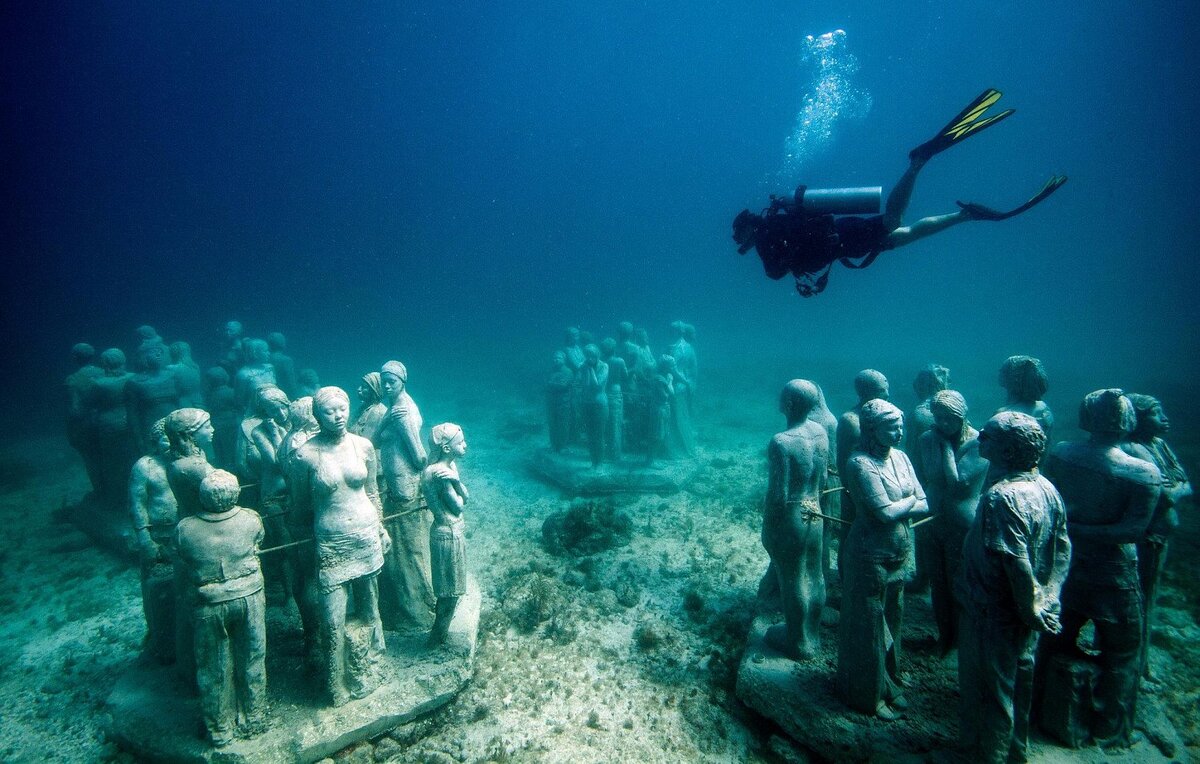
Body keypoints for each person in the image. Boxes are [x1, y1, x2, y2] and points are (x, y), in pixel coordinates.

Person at [733, 89, 1067, 296]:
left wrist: (765, 250)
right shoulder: (775, 225)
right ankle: (963, 215)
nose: (741, 244)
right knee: (900, 236)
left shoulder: (766, 237)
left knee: (893, 223)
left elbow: (775, 273)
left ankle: (917, 164)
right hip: (842, 238)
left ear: (748, 228)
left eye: (741, 237)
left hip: (842, 237)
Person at [1037, 390, 1159, 749]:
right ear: (1129, 421)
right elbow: (1133, 530)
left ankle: (1040, 708)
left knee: (1053, 636)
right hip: (1114, 572)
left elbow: (1051, 501)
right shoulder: (1143, 472)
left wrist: (1071, 531)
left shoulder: (1061, 454)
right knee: (1122, 651)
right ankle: (1111, 730)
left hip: (1067, 563)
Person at [958, 412, 1071, 764]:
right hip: (1026, 609)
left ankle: (987, 757)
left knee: (990, 692)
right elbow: (1063, 547)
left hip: (996, 608)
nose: (980, 437)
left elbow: (1015, 560)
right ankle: (1016, 754)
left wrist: (1029, 605)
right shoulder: (1047, 488)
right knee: (1019, 683)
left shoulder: (1002, 497)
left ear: (1007, 450)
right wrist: (1049, 594)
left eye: (988, 435)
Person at [292, 387, 390, 706]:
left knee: (370, 608)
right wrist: (308, 548)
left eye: (343, 408)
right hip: (332, 543)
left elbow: (373, 493)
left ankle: (373, 667)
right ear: (318, 416)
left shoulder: (363, 446)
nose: (339, 415)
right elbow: (300, 507)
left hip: (365, 537)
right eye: (331, 411)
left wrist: (381, 527)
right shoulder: (305, 455)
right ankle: (336, 683)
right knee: (333, 620)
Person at [837, 399, 927, 720]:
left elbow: (924, 503)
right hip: (868, 554)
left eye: (901, 425)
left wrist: (903, 503)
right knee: (868, 623)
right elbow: (882, 512)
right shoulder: (859, 463)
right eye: (892, 426)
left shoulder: (901, 458)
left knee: (894, 616)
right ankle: (866, 694)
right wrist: (909, 501)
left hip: (898, 553)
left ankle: (889, 681)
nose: (900, 431)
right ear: (872, 429)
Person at [175, 470, 266, 747]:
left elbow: (180, 559)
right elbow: (258, 542)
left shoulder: (185, 529)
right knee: (253, 656)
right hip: (249, 597)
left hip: (209, 604)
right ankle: (254, 718)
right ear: (236, 492)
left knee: (213, 667)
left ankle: (220, 728)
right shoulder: (251, 520)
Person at [1119, 394, 1192, 680]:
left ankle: (1140, 660)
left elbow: (1183, 485)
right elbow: (1165, 494)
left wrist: (1174, 490)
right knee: (1138, 599)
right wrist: (1173, 491)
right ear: (1137, 418)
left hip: (1159, 534)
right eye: (1156, 413)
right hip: (1144, 536)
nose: (1164, 418)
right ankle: (1133, 662)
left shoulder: (1159, 445)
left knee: (1149, 598)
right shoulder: (1133, 449)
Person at [917, 390, 988, 655]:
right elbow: (933, 475)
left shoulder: (980, 442)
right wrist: (940, 449)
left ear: (962, 416)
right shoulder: (927, 438)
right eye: (939, 418)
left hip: (961, 522)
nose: (943, 424)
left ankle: (961, 641)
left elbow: (959, 483)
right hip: (933, 518)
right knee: (938, 582)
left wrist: (945, 448)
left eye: (950, 419)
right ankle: (945, 637)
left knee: (958, 582)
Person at [762, 380, 830, 660]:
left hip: (791, 516)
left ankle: (797, 641)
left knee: (792, 578)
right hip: (815, 510)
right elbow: (824, 479)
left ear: (789, 404)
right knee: (815, 575)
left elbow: (778, 495)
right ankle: (812, 634)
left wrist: (769, 528)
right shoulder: (820, 433)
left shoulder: (782, 442)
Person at [129, 417, 179, 664]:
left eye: (172, 438)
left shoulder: (183, 461)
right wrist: (145, 539)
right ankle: (162, 640)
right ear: (154, 441)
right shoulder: (145, 467)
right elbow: (137, 505)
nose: (168, 444)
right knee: (158, 591)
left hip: (182, 531)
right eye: (163, 439)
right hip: (158, 535)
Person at [422, 423, 470, 647]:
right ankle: (436, 638)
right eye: (461, 443)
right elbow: (459, 505)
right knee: (449, 593)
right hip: (447, 533)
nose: (465, 446)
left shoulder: (448, 468)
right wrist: (454, 481)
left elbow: (465, 498)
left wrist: (457, 480)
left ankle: (439, 636)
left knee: (451, 592)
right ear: (447, 448)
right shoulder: (440, 473)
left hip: (451, 531)